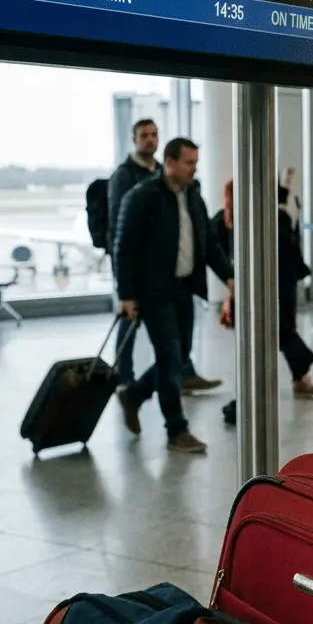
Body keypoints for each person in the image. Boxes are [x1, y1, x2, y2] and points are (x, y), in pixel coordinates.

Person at [112, 138, 234, 454]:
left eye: (195, 162)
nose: (194, 168)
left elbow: (207, 242)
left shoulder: (193, 196)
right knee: (169, 358)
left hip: (183, 288)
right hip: (154, 292)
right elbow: (123, 248)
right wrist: (126, 294)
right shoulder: (142, 197)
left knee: (177, 359)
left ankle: (135, 395)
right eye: (188, 162)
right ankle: (176, 430)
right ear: (169, 162)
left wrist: (230, 276)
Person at [211, 176, 313, 405]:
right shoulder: (273, 217)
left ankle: (295, 380)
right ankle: (296, 378)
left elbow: (218, 251)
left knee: (273, 334)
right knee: (281, 332)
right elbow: (290, 249)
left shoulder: (224, 219)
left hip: (258, 286)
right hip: (277, 286)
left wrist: (231, 277)